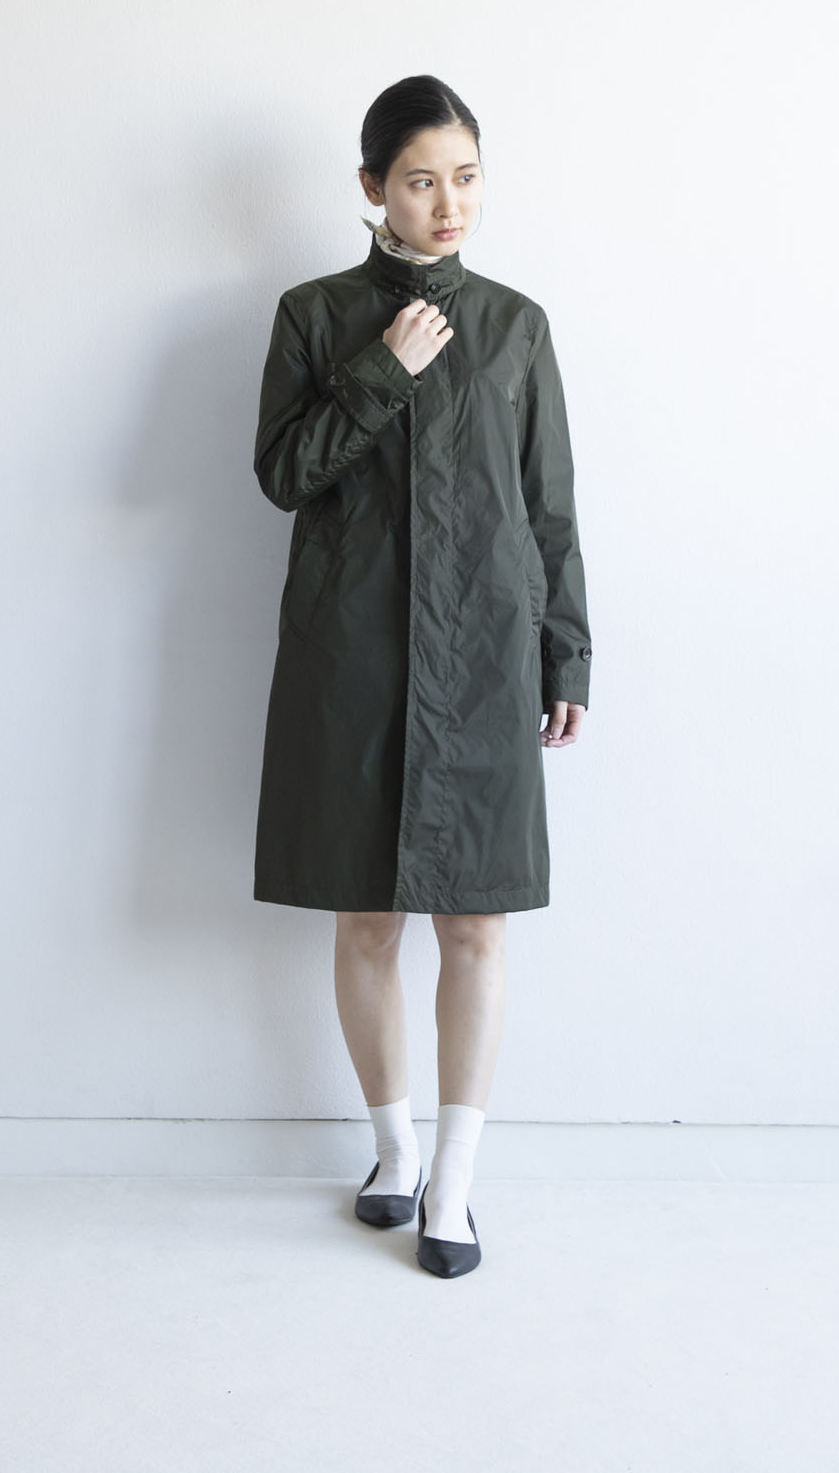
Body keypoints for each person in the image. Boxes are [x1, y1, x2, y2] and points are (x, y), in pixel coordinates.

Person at [251, 74, 592, 1279]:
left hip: (486, 657)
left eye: (465, 177)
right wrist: (381, 369)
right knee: (366, 917)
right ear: (371, 188)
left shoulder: (515, 326)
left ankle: (454, 1178)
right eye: (418, 181)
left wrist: (566, 650)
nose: (447, 204)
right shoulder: (313, 315)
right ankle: (391, 1149)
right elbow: (283, 474)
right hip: (352, 660)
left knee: (477, 921)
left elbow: (549, 509)